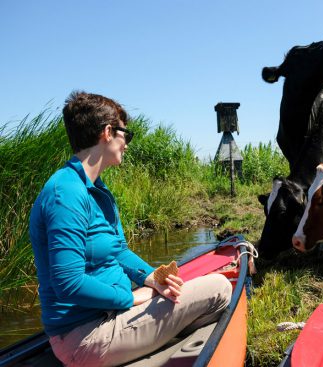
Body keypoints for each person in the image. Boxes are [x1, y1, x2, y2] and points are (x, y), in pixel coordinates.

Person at [29, 91, 232, 367]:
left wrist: (150, 277)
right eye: (127, 135)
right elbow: (68, 283)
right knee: (219, 288)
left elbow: (118, 252)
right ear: (108, 132)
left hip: (108, 316)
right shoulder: (66, 193)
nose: (126, 144)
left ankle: (156, 337)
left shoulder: (97, 191)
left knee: (178, 289)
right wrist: (130, 298)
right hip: (86, 336)